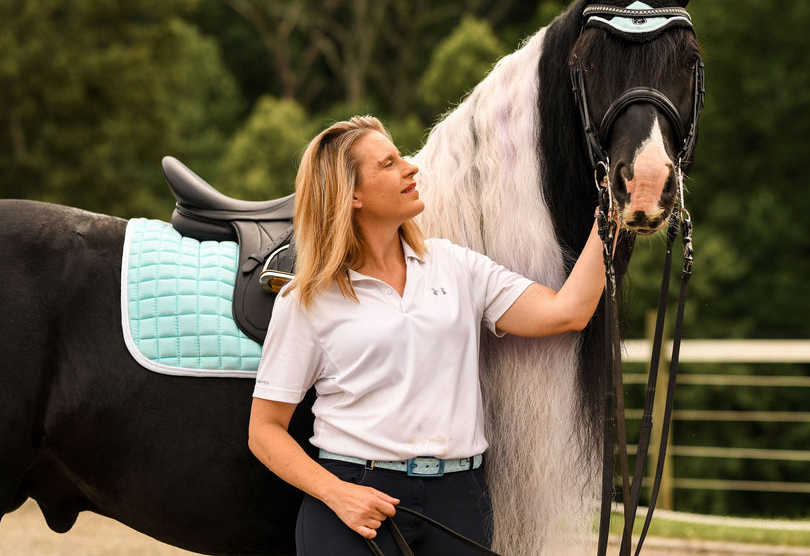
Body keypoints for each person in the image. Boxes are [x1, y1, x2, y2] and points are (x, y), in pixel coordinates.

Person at [248, 115, 612, 556]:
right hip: (356, 499)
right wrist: (336, 493)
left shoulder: (456, 266)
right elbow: (264, 431)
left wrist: (611, 220)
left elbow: (566, 312)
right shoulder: (307, 299)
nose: (411, 168)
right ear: (353, 195)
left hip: (459, 499)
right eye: (388, 164)